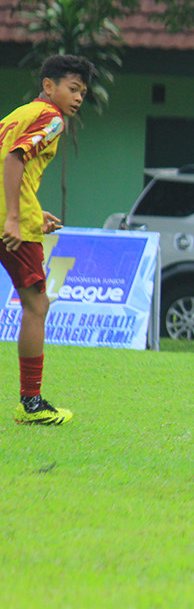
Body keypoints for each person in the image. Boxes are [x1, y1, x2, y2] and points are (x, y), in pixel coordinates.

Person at [2, 54, 96, 426]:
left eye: (83, 93)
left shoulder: (18, 114)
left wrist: (31, 210)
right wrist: (14, 216)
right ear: (49, 86)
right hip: (11, 225)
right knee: (37, 306)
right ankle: (32, 402)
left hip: (16, 215)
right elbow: (13, 159)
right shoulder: (52, 119)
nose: (77, 98)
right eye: (73, 89)